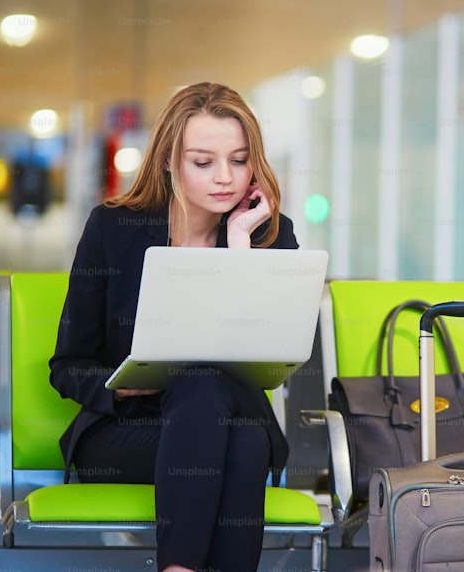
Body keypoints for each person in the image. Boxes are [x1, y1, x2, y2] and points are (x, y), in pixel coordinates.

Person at [49, 82, 298, 572]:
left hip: (231, 422)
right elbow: (66, 366)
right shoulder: (112, 229)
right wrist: (123, 387)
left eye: (240, 160)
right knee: (232, 430)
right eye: (203, 162)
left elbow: (269, 355)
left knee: (220, 408)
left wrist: (239, 245)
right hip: (125, 433)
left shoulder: (271, 234)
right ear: (168, 160)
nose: (225, 178)